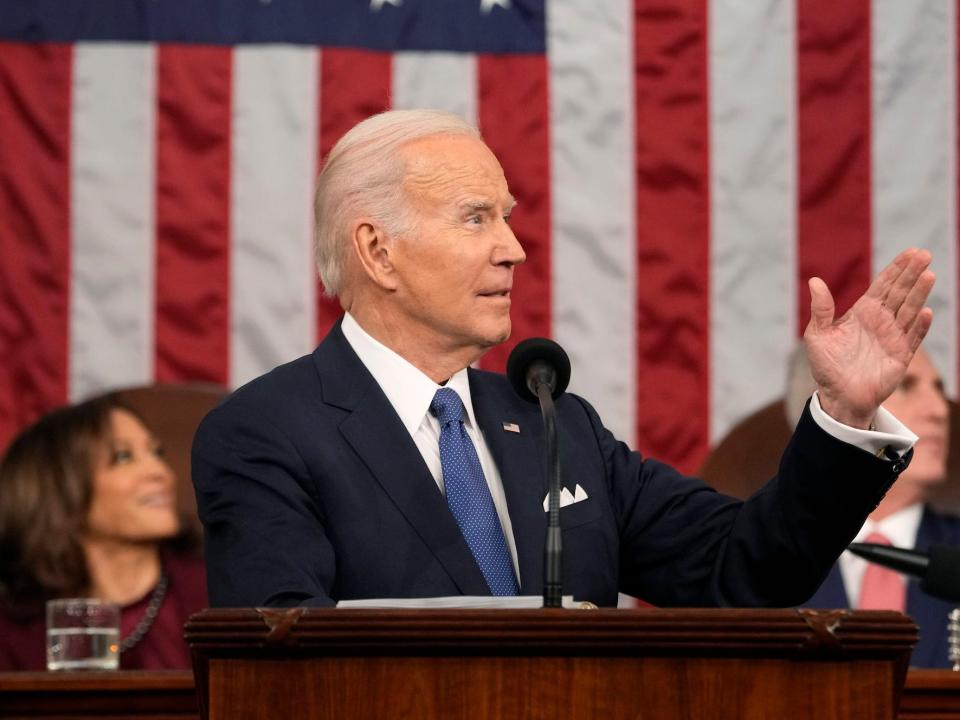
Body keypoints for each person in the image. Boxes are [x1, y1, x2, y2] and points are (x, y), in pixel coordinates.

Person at [193, 108, 935, 609]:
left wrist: (841, 415)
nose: (513, 249)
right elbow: (280, 675)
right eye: (476, 218)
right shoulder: (265, 435)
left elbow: (745, 567)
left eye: (507, 219)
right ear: (377, 251)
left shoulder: (555, 424)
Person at [0, 393, 207, 670]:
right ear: (60, 488)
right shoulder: (12, 624)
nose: (160, 471)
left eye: (157, 453)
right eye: (123, 457)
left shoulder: (213, 592)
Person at [804, 348, 960, 667]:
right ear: (829, 417)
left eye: (939, 389)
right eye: (906, 386)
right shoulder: (758, 555)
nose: (940, 410)